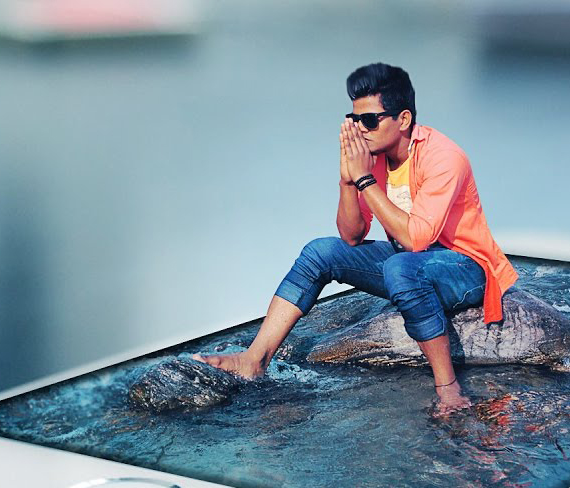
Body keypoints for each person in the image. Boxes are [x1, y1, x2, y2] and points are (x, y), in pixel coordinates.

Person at [196, 62, 518, 414]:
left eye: (369, 120)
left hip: (466, 268)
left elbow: (416, 240)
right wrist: (348, 180)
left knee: (401, 268)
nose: (360, 129)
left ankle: (448, 387)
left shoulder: (444, 157)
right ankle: (255, 359)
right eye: (354, 119)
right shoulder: (376, 157)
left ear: (404, 119)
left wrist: (365, 179)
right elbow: (351, 235)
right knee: (320, 252)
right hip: (410, 262)